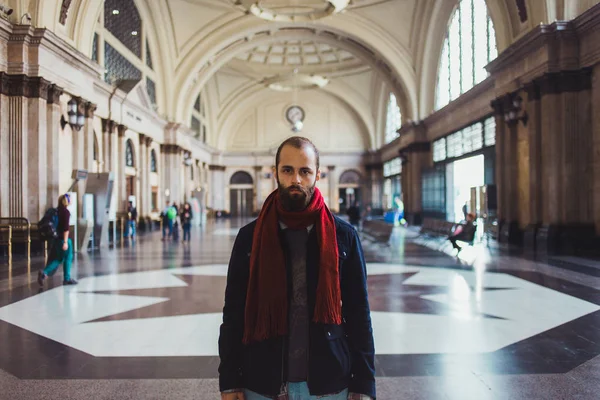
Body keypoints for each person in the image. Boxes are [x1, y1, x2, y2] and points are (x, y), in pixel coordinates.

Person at [219, 137, 376, 400]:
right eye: (288, 170)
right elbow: (233, 312)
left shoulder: (343, 236)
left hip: (328, 381)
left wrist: (364, 383)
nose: (296, 180)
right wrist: (230, 380)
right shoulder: (250, 237)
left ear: (317, 174)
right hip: (262, 380)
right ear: (276, 172)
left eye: (305, 171)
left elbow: (359, 312)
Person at [38, 194, 77, 286]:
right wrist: (66, 242)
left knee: (59, 258)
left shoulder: (56, 211)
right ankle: (67, 278)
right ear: (66, 201)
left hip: (56, 239)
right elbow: (66, 228)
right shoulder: (65, 212)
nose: (71, 200)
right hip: (64, 239)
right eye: (70, 199)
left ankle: (44, 272)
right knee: (68, 257)